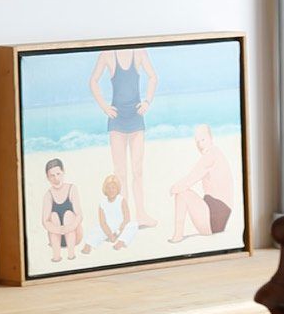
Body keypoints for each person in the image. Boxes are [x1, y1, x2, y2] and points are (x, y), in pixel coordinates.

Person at [89, 45, 157, 229]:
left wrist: (147, 101)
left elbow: (153, 77)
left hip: (136, 118)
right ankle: (125, 218)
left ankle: (141, 214)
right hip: (117, 121)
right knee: (120, 173)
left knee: (137, 171)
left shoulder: (140, 52)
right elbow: (93, 81)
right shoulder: (107, 54)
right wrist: (104, 107)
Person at [170, 124, 237, 244]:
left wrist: (174, 188)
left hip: (214, 216)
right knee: (182, 192)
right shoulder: (217, 153)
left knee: (181, 193)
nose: (200, 144)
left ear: (211, 138)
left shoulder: (211, 154)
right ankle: (178, 234)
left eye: (203, 139)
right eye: (197, 142)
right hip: (217, 215)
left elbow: (191, 178)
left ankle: (178, 235)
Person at [40, 158, 85, 266]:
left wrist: (69, 227)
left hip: (74, 234)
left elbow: (79, 215)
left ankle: (71, 254)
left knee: (68, 215)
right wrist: (59, 229)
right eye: (52, 176)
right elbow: (45, 221)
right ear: (47, 177)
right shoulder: (48, 195)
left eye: (58, 174)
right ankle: (56, 256)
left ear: (63, 172)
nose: (56, 178)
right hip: (56, 238)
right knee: (53, 216)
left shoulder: (72, 188)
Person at [97, 173, 133, 252]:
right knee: (96, 228)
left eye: (113, 188)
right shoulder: (102, 203)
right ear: (105, 189)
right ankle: (91, 244)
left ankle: (121, 242)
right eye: (108, 188)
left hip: (121, 227)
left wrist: (119, 231)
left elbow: (127, 218)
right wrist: (110, 235)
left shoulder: (121, 200)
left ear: (117, 189)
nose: (111, 190)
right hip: (108, 227)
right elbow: (102, 222)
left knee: (133, 225)